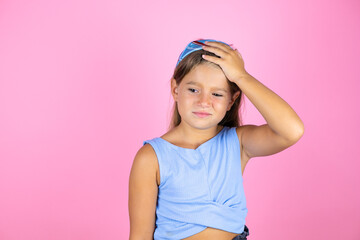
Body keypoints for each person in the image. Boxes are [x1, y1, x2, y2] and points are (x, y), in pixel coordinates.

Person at [128, 38, 304, 240]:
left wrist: (241, 76)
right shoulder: (150, 158)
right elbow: (140, 236)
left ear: (232, 100)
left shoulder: (238, 143)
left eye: (217, 94)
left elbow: (292, 130)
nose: (204, 102)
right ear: (176, 89)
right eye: (193, 90)